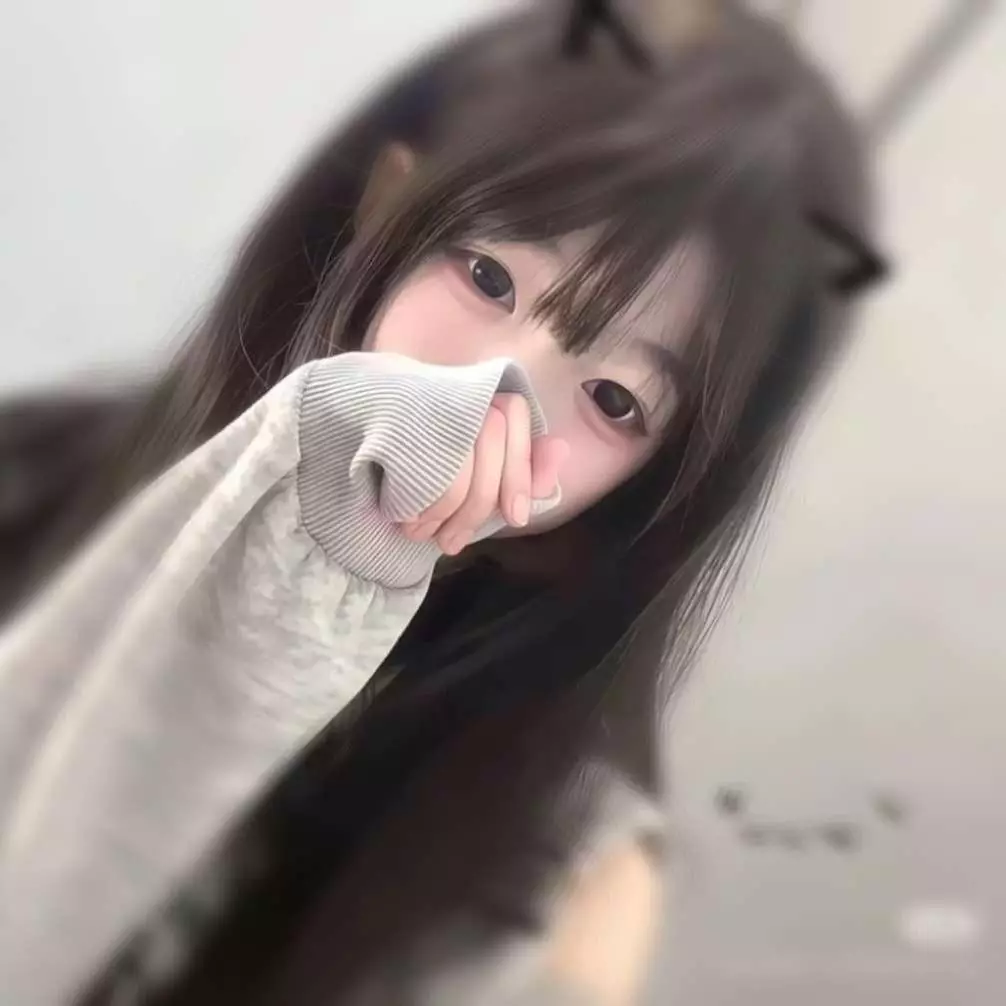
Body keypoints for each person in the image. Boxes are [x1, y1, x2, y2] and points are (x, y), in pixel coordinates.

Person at [0, 1, 887, 1003]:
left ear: (658, 486)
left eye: (613, 400)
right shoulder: (24, 474)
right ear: (389, 208)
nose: (492, 397)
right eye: (487, 276)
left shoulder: (568, 881)